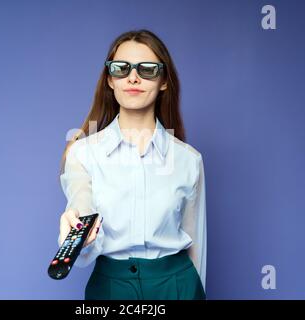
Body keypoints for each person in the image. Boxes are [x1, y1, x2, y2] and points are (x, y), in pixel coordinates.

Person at [58, 29, 207, 300]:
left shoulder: (189, 160)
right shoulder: (82, 154)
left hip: (178, 287)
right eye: (121, 68)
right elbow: (81, 202)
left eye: (147, 69)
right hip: (111, 289)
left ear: (164, 81)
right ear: (110, 80)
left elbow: (196, 246)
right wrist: (78, 229)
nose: (133, 77)